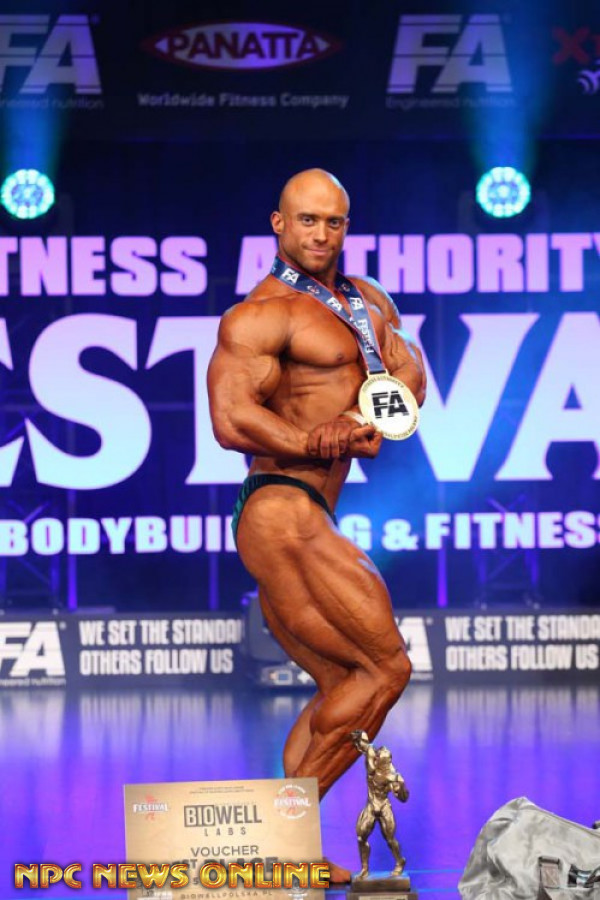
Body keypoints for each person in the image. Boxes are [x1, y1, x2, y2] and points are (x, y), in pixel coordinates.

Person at [207, 168, 426, 881]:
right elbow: (230, 419)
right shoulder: (259, 315)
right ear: (279, 225)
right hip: (280, 506)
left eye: (334, 221)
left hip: (311, 510)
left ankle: (289, 848)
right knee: (388, 667)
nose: (321, 234)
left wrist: (364, 413)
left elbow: (408, 381)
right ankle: (275, 832)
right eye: (307, 220)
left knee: (346, 685)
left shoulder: (369, 301)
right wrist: (314, 440)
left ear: (347, 226)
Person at [351, 730, 409, 879]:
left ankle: (399, 861)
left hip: (383, 807)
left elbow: (403, 799)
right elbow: (364, 745)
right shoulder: (371, 759)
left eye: (386, 763)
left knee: (390, 839)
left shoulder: (392, 777)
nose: (383, 765)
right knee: (361, 837)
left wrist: (401, 785)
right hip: (371, 805)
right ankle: (365, 868)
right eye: (380, 761)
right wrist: (358, 738)